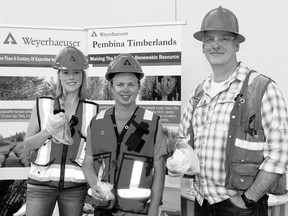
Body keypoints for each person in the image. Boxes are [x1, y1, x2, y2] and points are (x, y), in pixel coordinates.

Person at [177, 6, 288, 216]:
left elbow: (280, 155)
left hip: (241, 207)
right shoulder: (198, 93)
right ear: (202, 47)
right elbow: (185, 143)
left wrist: (249, 199)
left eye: (224, 38)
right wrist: (179, 163)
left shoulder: (262, 88)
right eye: (209, 39)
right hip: (202, 202)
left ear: (237, 44)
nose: (215, 45)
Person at [82, 53, 167, 216]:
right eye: (120, 84)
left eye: (131, 84)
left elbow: (159, 170)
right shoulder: (97, 122)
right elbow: (87, 163)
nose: (125, 89)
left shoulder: (153, 123)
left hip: (138, 212)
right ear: (111, 88)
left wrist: (154, 209)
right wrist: (95, 186)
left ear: (138, 88)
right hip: (103, 209)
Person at [23, 46, 99, 216]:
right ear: (58, 75)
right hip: (40, 185)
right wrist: (47, 131)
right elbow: (27, 145)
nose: (71, 77)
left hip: (74, 189)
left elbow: (94, 156)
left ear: (82, 75)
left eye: (76, 72)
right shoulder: (43, 105)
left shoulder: (93, 111)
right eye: (65, 72)